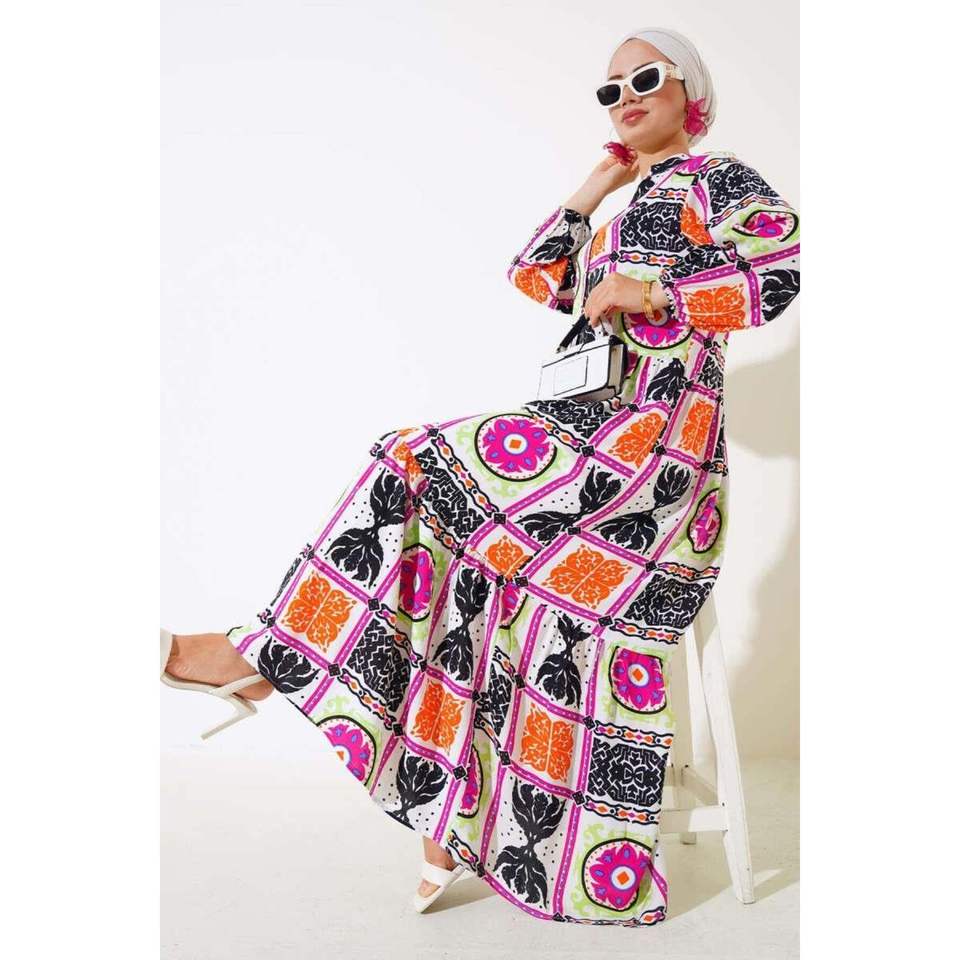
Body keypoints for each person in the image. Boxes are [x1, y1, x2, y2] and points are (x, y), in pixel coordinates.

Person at [160, 25, 799, 927]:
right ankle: (445, 803)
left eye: (644, 79)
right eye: (609, 89)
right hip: (589, 436)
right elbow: (534, 275)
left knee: (410, 459)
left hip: (654, 459)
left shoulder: (715, 179)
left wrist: (657, 294)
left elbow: (783, 269)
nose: (624, 98)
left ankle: (265, 658)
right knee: (450, 538)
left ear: (689, 91)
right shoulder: (624, 208)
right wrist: (597, 184)